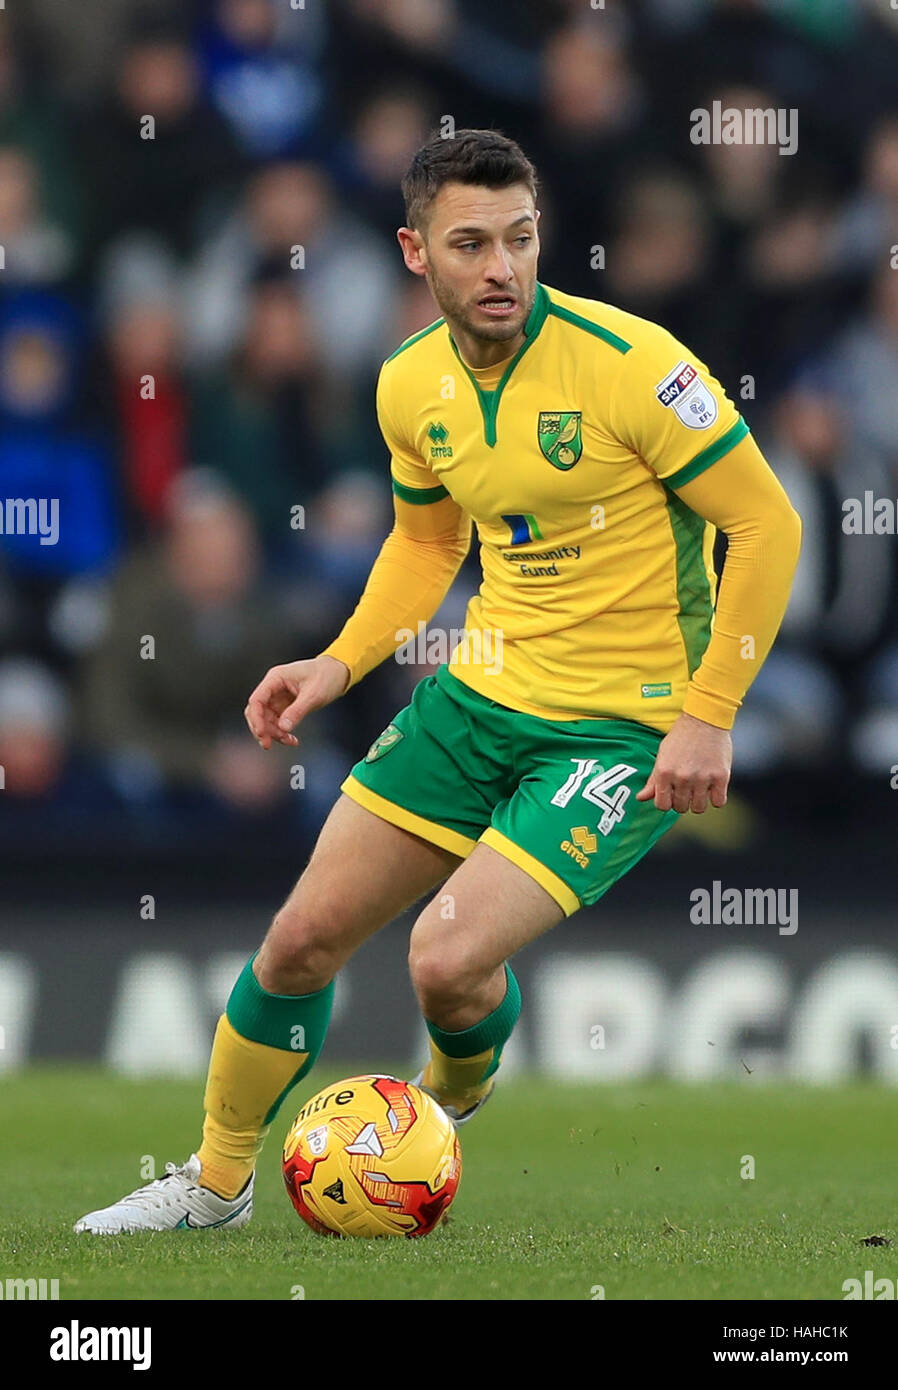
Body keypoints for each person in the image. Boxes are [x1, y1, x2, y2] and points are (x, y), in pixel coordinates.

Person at [75, 129, 801, 1234]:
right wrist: (336, 661)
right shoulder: (409, 383)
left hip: (619, 731)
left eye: (520, 237)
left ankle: (452, 1096)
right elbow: (426, 547)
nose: (503, 265)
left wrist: (708, 717)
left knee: (443, 962)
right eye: (472, 243)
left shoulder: (633, 363)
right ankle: (215, 1185)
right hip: (477, 699)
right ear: (417, 253)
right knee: (298, 940)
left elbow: (767, 523)